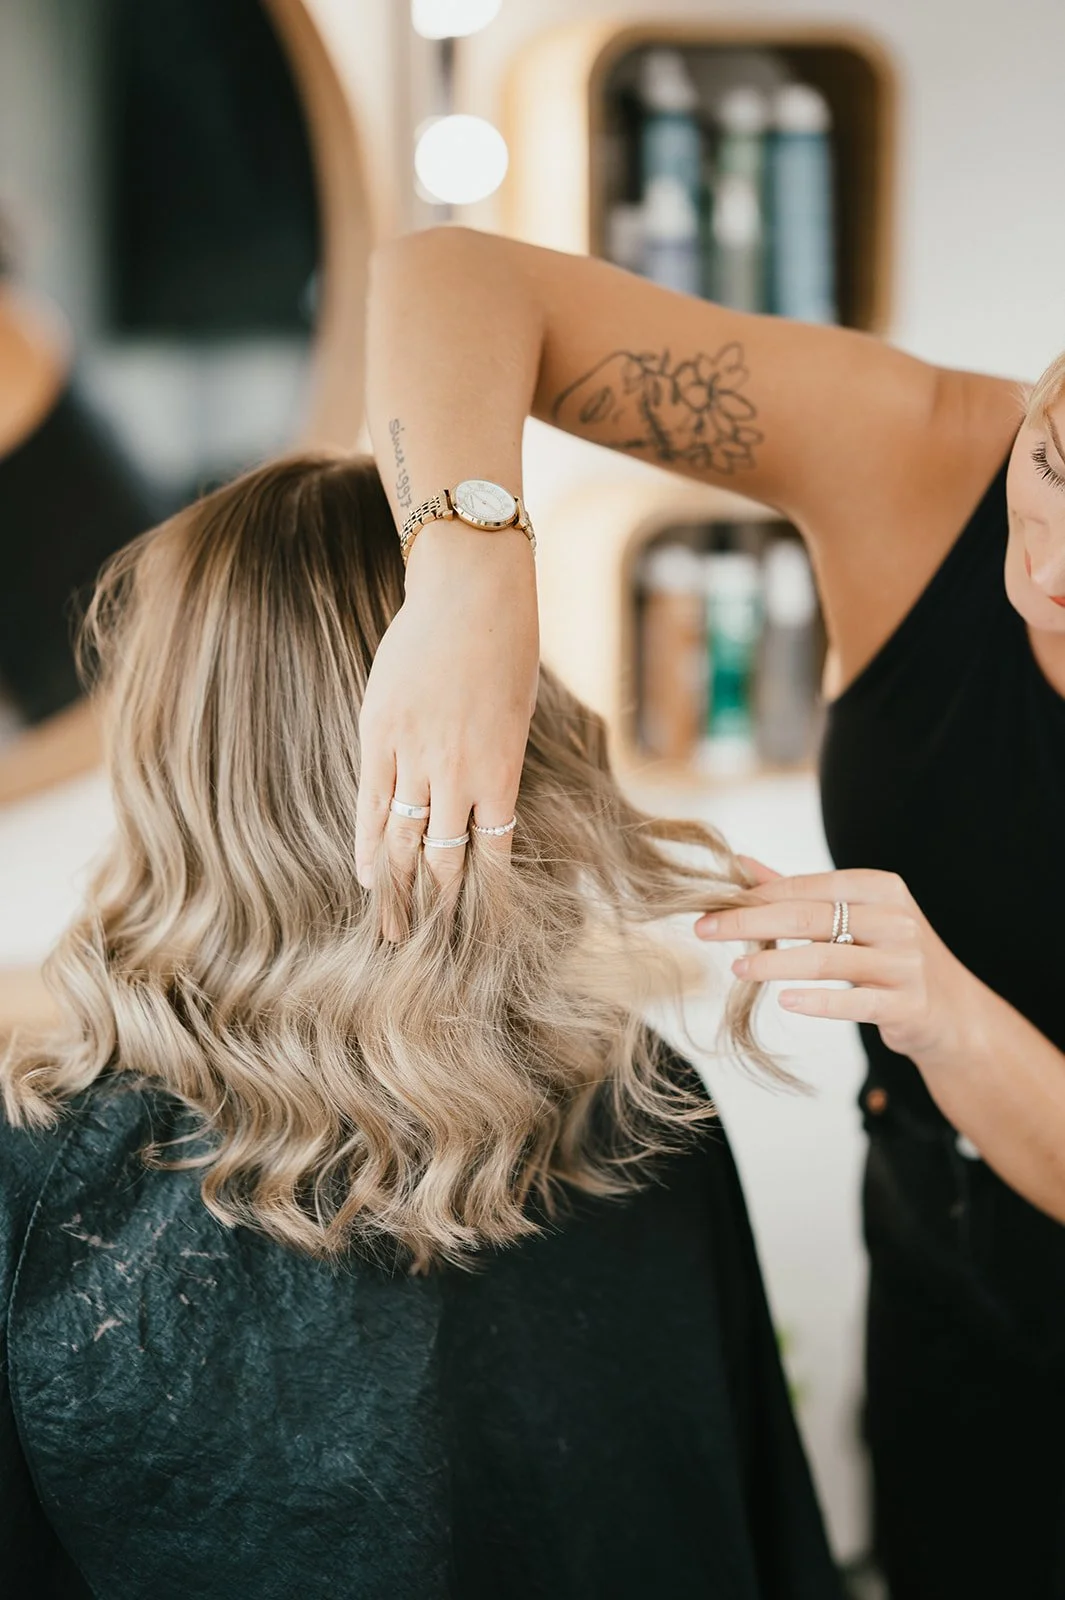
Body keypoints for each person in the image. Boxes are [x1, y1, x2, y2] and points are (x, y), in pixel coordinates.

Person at [355, 225, 1065, 1600]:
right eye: (1057, 464)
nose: (1047, 574)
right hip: (946, 1279)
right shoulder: (922, 462)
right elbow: (451, 276)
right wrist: (469, 571)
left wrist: (946, 1016)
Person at [0, 453, 843, 1599]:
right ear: (508, 723)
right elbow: (771, 1545)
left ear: (173, 759)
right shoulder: (645, 1102)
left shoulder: (39, 1191)